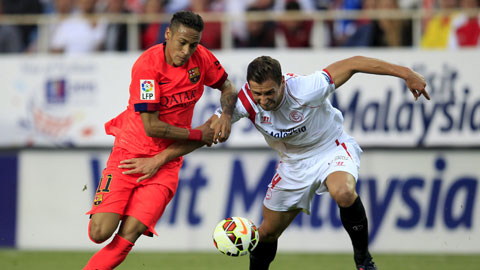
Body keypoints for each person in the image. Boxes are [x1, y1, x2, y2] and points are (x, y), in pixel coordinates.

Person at [120, 54, 429, 270]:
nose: (264, 100)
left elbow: (355, 63)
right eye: (258, 94)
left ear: (282, 82)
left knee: (344, 192)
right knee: (266, 234)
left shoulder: (307, 88)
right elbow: (202, 135)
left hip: (330, 148)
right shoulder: (245, 103)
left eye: (269, 93)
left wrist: (406, 73)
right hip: (292, 164)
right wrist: (161, 158)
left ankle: (363, 260)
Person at [82, 10, 238, 270]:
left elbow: (229, 87)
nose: (187, 50)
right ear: (168, 35)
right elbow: (152, 126)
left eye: (194, 44)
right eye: (182, 43)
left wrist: (226, 115)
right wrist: (200, 133)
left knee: (129, 234)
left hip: (166, 163)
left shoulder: (202, 59)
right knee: (99, 232)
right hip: (130, 155)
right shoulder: (148, 67)